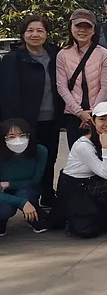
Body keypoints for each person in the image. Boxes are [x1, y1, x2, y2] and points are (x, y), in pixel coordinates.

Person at [0, 15, 63, 209]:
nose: (35, 34)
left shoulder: (55, 55)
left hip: (51, 118)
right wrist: (15, 124)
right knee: (25, 159)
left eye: (40, 30)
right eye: (30, 30)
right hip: (25, 122)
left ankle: (47, 195)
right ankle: (21, 199)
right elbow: (7, 93)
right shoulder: (13, 59)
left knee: (49, 157)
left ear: (46, 33)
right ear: (23, 34)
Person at [55, 102, 107, 238]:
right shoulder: (84, 145)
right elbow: (106, 174)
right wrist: (106, 147)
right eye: (102, 119)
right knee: (86, 231)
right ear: (93, 121)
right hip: (74, 186)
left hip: (92, 181)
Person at [56, 9, 107, 147]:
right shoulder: (62, 55)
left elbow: (106, 86)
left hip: (100, 115)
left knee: (101, 154)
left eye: (87, 27)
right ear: (71, 27)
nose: (82, 30)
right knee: (77, 160)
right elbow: (62, 87)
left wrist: (94, 113)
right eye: (78, 26)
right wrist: (79, 112)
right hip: (73, 115)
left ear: (94, 30)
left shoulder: (104, 54)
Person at [0, 119, 49, 235]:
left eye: (22, 135)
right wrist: (22, 202)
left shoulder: (40, 151)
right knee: (5, 209)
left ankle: (33, 216)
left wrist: (10, 184)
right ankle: (2, 221)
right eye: (11, 136)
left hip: (27, 188)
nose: (18, 140)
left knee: (27, 193)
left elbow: (35, 180)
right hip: (3, 192)